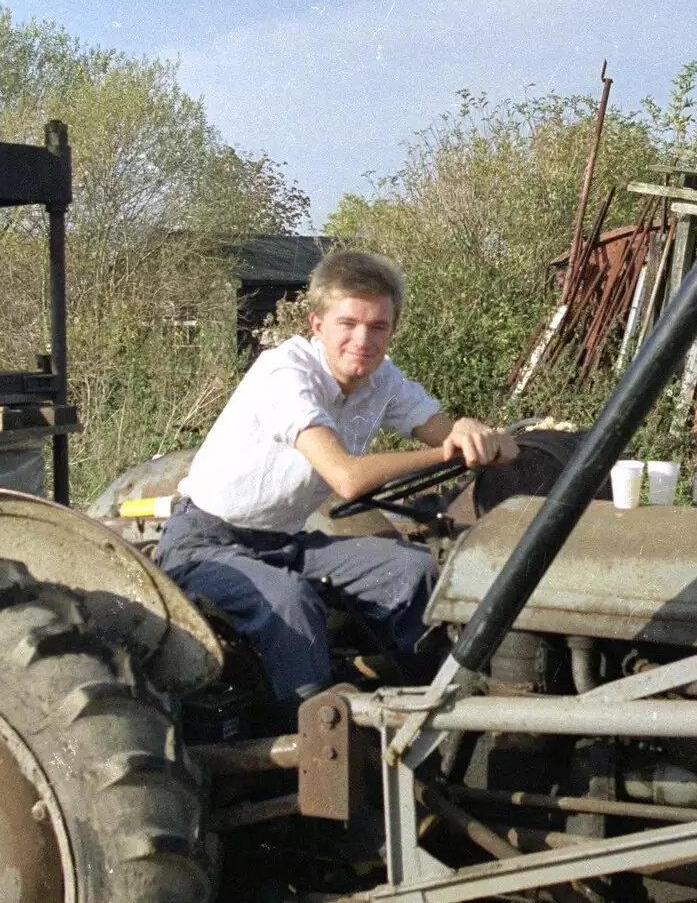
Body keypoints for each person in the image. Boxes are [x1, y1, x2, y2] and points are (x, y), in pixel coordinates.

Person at [155, 251, 516, 713]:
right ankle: (316, 738)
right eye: (348, 324)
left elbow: (444, 428)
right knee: (290, 601)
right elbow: (346, 477)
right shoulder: (284, 373)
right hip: (203, 545)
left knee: (412, 570)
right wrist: (446, 450)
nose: (362, 340)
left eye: (377, 327)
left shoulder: (380, 378)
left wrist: (474, 433)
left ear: (392, 330)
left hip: (284, 542)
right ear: (317, 324)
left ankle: (445, 712)